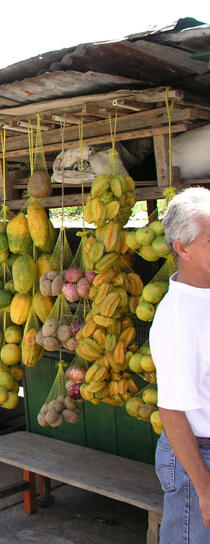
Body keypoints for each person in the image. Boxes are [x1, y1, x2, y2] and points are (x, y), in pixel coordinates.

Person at [150, 186, 210, 543]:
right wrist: (204, 488)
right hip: (197, 460)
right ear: (182, 248)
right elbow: (172, 411)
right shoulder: (177, 317)